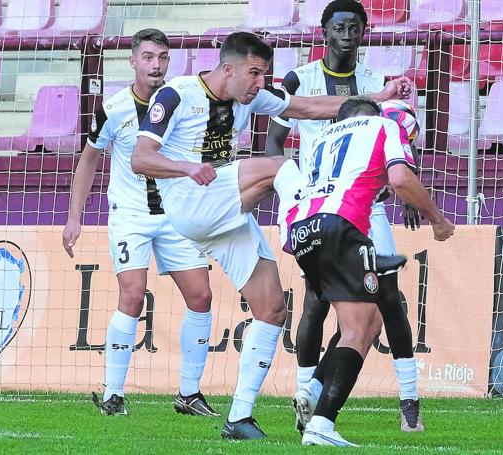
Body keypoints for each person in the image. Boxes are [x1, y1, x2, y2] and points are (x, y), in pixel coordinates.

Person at [130, 31, 411, 440]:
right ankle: (309, 234)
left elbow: (311, 107)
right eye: (255, 73)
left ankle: (239, 419)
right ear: (229, 68)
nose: (260, 83)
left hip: (224, 208)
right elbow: (141, 158)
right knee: (280, 165)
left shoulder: (252, 94)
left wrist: (378, 98)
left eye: (265, 75)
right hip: (189, 200)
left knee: (272, 309)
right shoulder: (176, 95)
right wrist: (186, 167)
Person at [265, 0, 426, 432]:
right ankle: (304, 396)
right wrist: (290, 193)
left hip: (368, 205)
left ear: (364, 31)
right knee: (318, 301)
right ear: (324, 32)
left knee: (388, 298)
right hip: (321, 205)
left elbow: (401, 132)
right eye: (339, 27)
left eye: (355, 26)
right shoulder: (303, 77)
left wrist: (408, 190)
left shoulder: (378, 81)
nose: (347, 33)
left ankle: (409, 401)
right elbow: (274, 142)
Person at [273, 96, 455, 447]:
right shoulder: (384, 125)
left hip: (303, 230)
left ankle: (311, 390)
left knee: (358, 322)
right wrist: (437, 219)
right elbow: (399, 178)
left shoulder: (322, 140)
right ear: (375, 115)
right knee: (363, 327)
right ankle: (322, 423)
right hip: (343, 226)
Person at [62, 29, 218, 418]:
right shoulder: (113, 108)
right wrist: (73, 218)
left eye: (162, 58)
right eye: (148, 57)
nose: (156, 65)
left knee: (201, 296)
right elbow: (88, 161)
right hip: (131, 216)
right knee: (132, 295)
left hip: (176, 214)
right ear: (132, 61)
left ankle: (189, 393)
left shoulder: (183, 100)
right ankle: (113, 395)